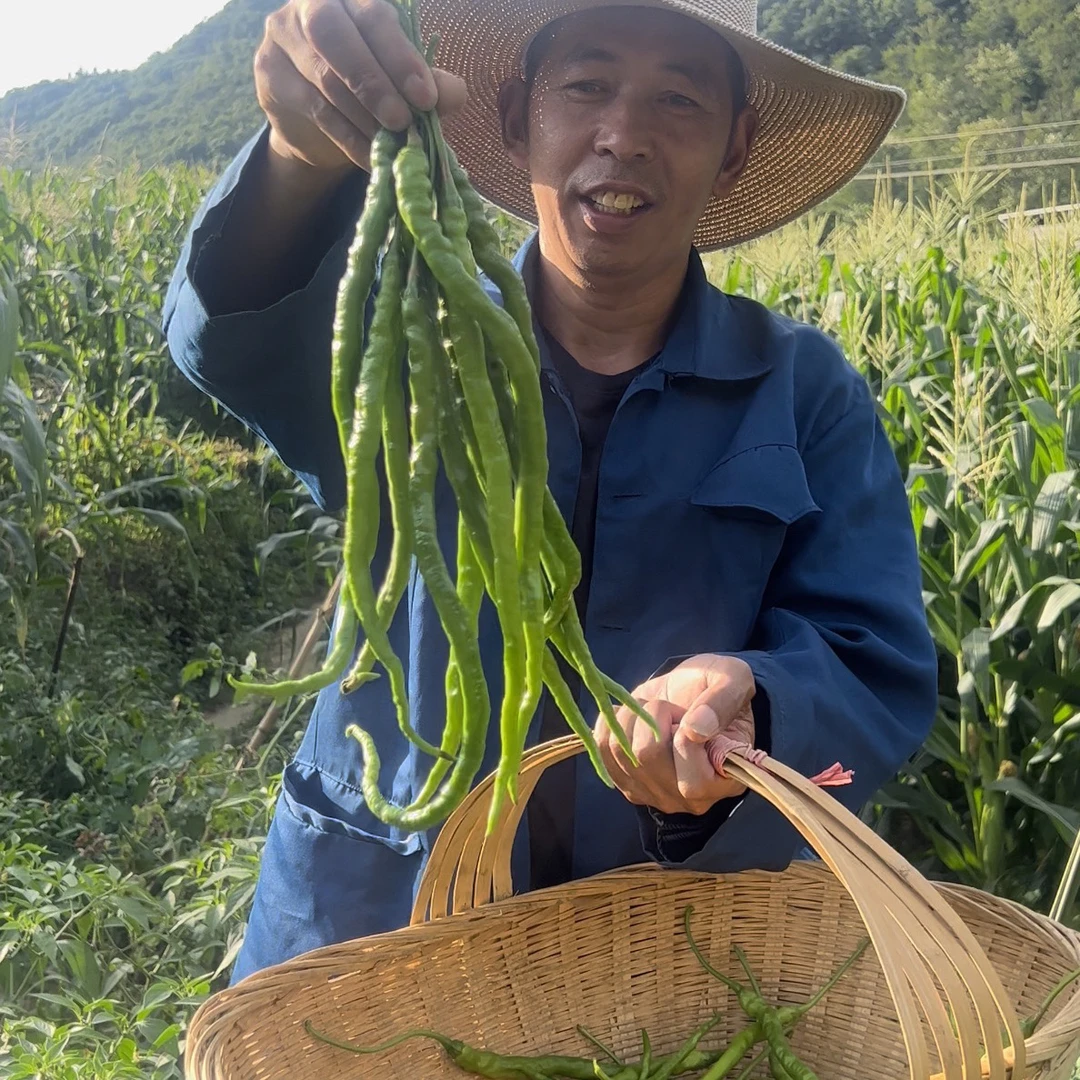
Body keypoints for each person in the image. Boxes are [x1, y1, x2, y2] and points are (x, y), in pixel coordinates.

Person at [163, 0, 938, 985]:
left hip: (661, 960)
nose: (624, 135)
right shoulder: (409, 331)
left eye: (678, 99)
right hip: (371, 932)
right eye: (587, 85)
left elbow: (876, 665)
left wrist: (759, 704)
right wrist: (296, 154)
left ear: (735, 146)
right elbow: (227, 336)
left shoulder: (806, 392)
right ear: (521, 107)